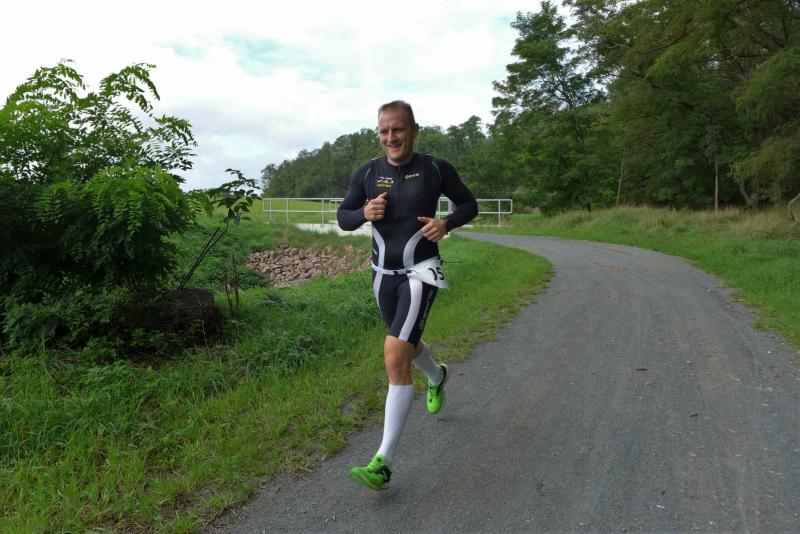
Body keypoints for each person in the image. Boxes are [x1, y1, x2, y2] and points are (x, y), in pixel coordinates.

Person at [337, 100, 478, 490]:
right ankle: (437, 374)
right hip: (382, 276)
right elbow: (343, 217)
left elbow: (470, 204)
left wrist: (446, 224)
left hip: (422, 271)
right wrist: (363, 214)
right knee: (407, 343)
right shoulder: (367, 172)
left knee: (395, 353)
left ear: (414, 130)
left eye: (398, 129)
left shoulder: (435, 169)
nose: (391, 137)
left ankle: (382, 462)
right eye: (384, 131)